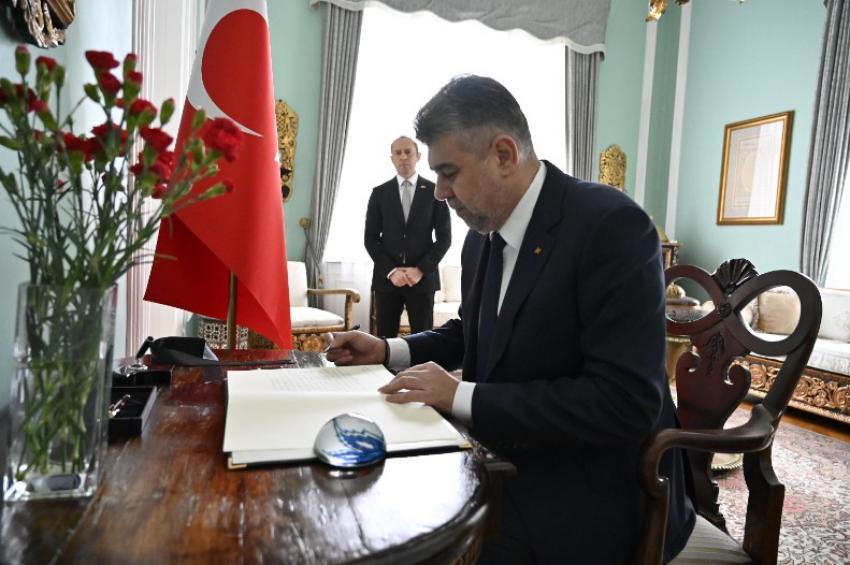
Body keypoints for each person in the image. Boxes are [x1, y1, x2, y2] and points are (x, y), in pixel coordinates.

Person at [328, 76, 695, 564]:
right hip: (503, 458)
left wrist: (458, 395)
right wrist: (388, 350)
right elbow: (473, 331)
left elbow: (624, 403)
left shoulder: (611, 226)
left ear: (504, 154)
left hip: (592, 489)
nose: (440, 193)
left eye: (449, 173)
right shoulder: (482, 236)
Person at [365, 136, 451, 337]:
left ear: (418, 156)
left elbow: (444, 238)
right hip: (387, 281)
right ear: (392, 158)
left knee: (424, 340)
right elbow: (370, 238)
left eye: (408, 152)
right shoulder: (379, 193)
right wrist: (391, 271)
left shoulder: (435, 192)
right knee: (384, 342)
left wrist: (420, 270)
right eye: (398, 153)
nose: (403, 157)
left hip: (422, 281)